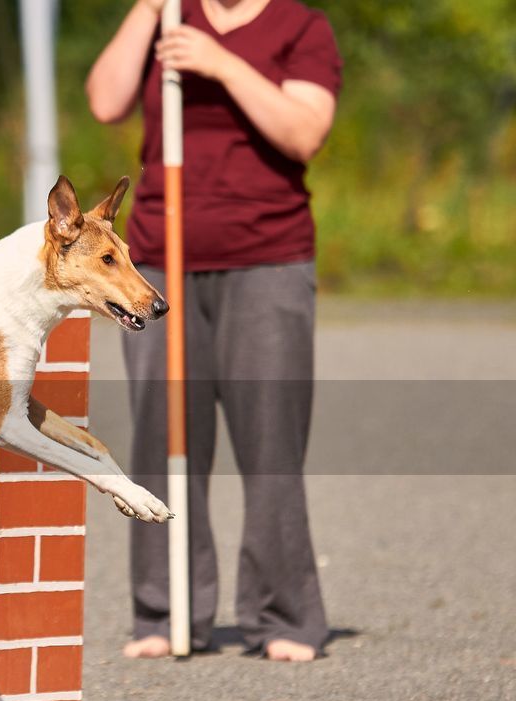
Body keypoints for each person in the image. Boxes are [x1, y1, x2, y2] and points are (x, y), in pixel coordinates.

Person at [85, 0, 341, 661]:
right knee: (162, 436)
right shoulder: (167, 18)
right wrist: (147, 11)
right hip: (158, 262)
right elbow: (106, 101)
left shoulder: (300, 27)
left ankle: (283, 616)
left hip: (267, 259)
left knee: (270, 439)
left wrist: (222, 64)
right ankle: (165, 612)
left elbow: (304, 132)